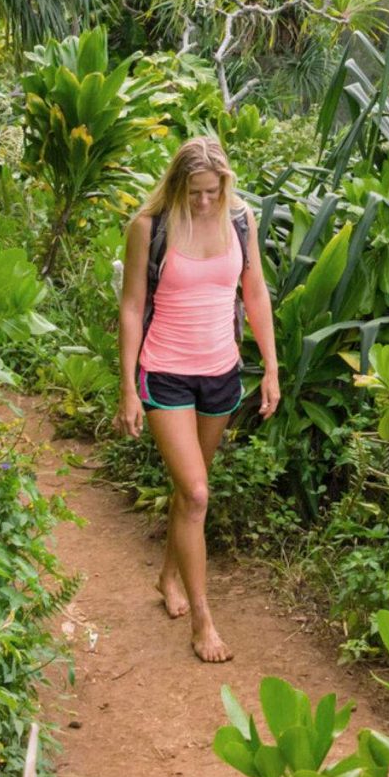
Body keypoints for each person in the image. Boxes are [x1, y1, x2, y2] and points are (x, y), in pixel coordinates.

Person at [114, 135, 279, 662]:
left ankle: (169, 575)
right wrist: (127, 390)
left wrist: (271, 367)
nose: (204, 201)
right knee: (198, 494)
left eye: (212, 191)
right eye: (194, 191)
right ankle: (203, 623)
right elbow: (132, 307)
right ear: (177, 183)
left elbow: (254, 293)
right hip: (164, 374)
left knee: (191, 496)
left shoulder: (240, 220)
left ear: (224, 184)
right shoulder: (149, 228)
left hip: (222, 373)